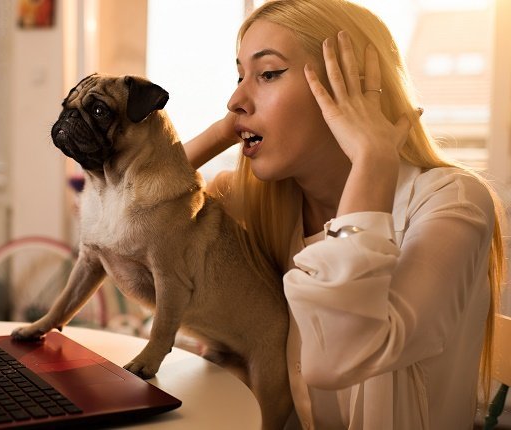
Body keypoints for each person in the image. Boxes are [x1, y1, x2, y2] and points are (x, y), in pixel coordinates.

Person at [183, 0, 507, 429]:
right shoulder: (264, 201)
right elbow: (134, 216)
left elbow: (337, 356)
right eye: (239, 75)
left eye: (268, 74)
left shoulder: (450, 202)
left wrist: (372, 161)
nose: (234, 99)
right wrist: (223, 131)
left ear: (347, 89)